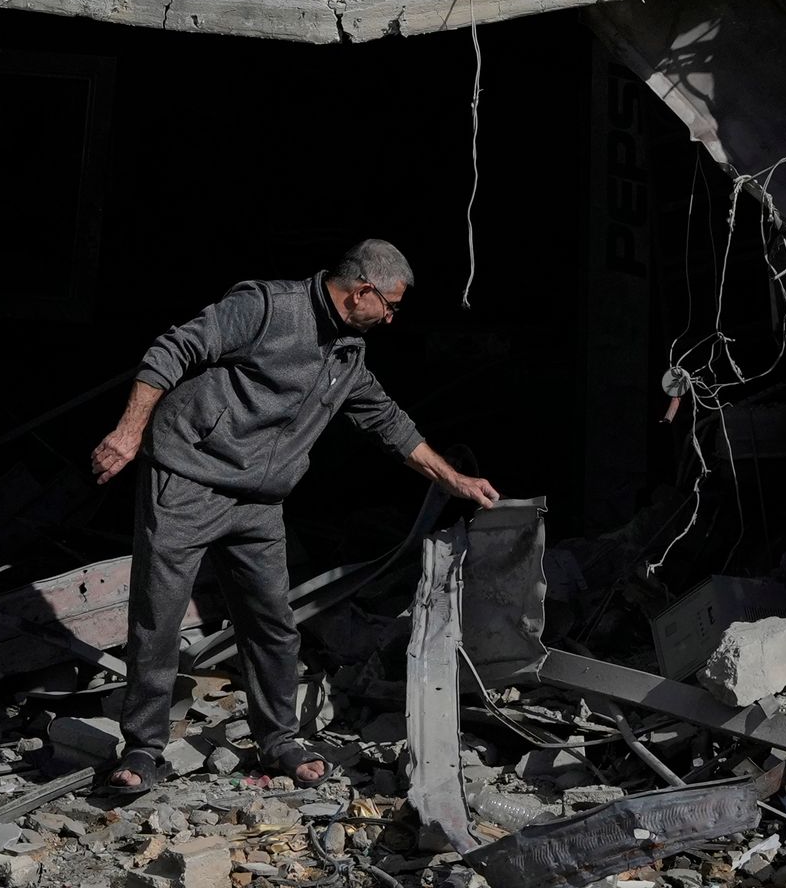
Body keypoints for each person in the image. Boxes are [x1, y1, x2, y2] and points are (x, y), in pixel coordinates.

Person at [90, 239, 500, 797]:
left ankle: (279, 739)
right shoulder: (266, 308)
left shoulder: (348, 351)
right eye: (392, 305)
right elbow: (173, 349)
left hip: (258, 501)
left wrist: (453, 480)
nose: (392, 317)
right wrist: (129, 430)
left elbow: (387, 421)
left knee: (272, 623)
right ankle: (143, 746)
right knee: (157, 621)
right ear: (362, 292)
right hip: (188, 478)